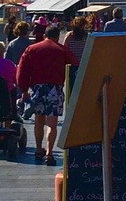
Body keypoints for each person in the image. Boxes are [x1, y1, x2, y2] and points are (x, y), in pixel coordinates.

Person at [16, 24, 80, 165]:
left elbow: (22, 71)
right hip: (55, 88)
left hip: (37, 88)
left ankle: (39, 149)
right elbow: (75, 67)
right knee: (52, 123)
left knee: (39, 121)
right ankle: (49, 153)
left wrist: (24, 90)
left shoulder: (32, 49)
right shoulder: (63, 50)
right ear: (57, 37)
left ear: (45, 35)